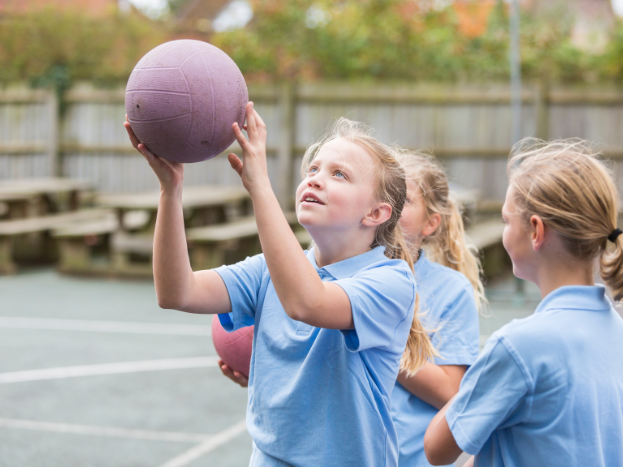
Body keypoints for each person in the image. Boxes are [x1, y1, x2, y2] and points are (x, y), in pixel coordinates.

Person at [124, 106, 436, 467]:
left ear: (375, 214)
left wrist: (259, 185)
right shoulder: (268, 271)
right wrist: (170, 190)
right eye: (314, 169)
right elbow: (177, 292)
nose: (316, 179)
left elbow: (307, 303)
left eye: (340, 175)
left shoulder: (390, 281)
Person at [424, 139, 623, 467]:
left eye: (506, 221)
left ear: (536, 231)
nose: (504, 231)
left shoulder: (518, 346)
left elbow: (436, 449)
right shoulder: (614, 328)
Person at [391, 153, 485, 467]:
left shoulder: (451, 290)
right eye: (380, 192)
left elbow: (450, 390)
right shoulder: (340, 277)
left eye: (402, 198)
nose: (388, 204)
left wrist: (381, 337)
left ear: (430, 223)